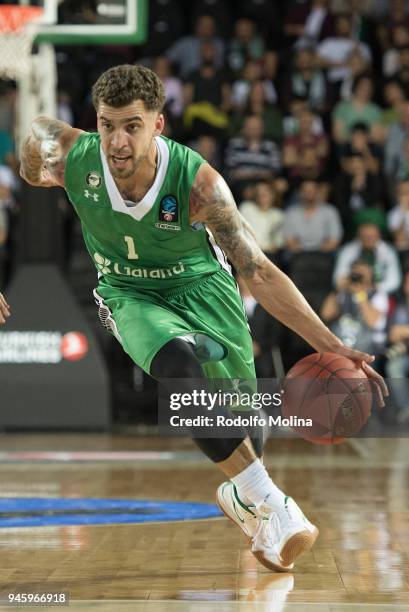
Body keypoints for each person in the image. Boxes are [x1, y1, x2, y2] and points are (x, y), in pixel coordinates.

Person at [13, 64, 387, 573]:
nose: (117, 141)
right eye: (107, 125)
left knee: (244, 434)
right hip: (129, 291)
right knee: (180, 369)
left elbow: (256, 270)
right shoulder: (74, 156)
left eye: (132, 126)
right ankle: (275, 504)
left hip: (204, 290)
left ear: (158, 125)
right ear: (94, 122)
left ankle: (244, 498)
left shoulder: (200, 184)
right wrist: (34, 172)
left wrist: (331, 343)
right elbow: (33, 145)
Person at [321, 259, 389, 355]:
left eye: (362, 275)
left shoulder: (378, 294)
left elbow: (372, 322)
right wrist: (336, 290)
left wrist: (360, 294)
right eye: (355, 273)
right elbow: (326, 314)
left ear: (371, 276)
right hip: (341, 343)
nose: (358, 277)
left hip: (367, 347)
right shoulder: (343, 291)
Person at [334, 222, 401, 294]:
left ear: (379, 236)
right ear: (358, 236)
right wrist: (351, 286)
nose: (369, 239)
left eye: (372, 236)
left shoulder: (388, 251)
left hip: (380, 293)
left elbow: (394, 281)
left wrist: (373, 288)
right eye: (365, 236)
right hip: (352, 291)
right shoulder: (348, 250)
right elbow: (338, 278)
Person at [283, 179, 343, 254]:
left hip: (325, 253)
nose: (309, 193)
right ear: (300, 193)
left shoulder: (330, 211)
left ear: (318, 192)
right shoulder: (291, 212)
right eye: (306, 190)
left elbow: (334, 240)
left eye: (312, 190)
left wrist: (317, 249)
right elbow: (289, 240)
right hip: (298, 254)